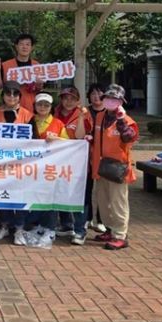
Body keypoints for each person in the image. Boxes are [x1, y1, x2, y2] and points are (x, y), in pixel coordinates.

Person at [90, 84, 139, 251]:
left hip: (118, 168)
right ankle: (109, 229)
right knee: (103, 201)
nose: (110, 101)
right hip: (101, 166)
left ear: (121, 102)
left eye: (115, 99)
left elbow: (129, 138)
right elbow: (99, 137)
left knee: (118, 203)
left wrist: (121, 121)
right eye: (108, 98)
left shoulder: (127, 120)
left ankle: (120, 235)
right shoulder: (100, 116)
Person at [0, 81, 34, 245]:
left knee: (20, 194)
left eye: (15, 94)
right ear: (3, 96)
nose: (12, 97)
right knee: (3, 194)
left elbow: (35, 140)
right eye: (8, 93)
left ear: (20, 97)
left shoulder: (28, 115)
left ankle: (19, 229)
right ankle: (4, 225)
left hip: (21, 163)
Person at [54, 86, 93, 244]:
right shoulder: (55, 113)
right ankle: (66, 224)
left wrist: (81, 118)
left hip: (78, 162)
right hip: (59, 161)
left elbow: (80, 136)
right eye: (65, 98)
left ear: (78, 100)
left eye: (72, 98)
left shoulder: (83, 114)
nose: (68, 102)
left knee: (79, 195)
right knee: (60, 191)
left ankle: (80, 230)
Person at [28, 92, 68, 242]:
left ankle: (50, 228)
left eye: (46, 105)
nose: (43, 107)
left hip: (52, 167)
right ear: (35, 106)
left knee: (51, 197)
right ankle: (38, 225)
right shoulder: (29, 121)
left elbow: (69, 144)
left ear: (51, 107)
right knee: (36, 196)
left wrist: (56, 139)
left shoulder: (58, 123)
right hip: (33, 168)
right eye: (40, 104)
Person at [0, 34, 44, 113]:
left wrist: (39, 84)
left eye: (27, 44)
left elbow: (40, 88)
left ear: (32, 47)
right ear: (16, 47)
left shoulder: (37, 65)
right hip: (9, 105)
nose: (24, 47)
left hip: (31, 106)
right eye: (21, 44)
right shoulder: (5, 65)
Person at [86, 83, 107, 234]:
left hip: (104, 156)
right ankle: (87, 218)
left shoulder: (110, 113)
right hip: (87, 156)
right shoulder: (84, 112)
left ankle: (101, 220)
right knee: (87, 188)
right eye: (93, 93)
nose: (96, 96)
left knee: (102, 191)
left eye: (99, 93)